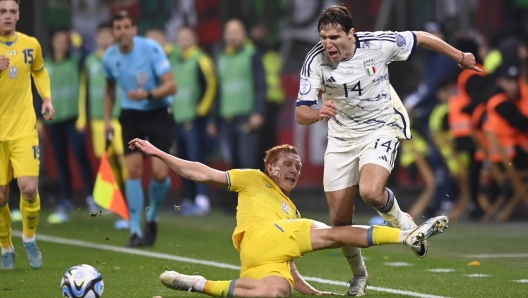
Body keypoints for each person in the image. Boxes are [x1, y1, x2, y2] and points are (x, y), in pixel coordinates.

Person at [294, 5, 479, 295]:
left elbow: (422, 37)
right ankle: (359, 275)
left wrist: (460, 57)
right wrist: (318, 112)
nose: (327, 43)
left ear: (351, 34)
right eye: (323, 37)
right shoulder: (315, 60)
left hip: (381, 125)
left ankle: (404, 223)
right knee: (341, 223)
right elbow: (301, 113)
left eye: (334, 37)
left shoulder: (379, 44)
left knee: (370, 191)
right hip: (342, 138)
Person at [128, 138, 449, 297]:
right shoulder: (254, 178)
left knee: (276, 292)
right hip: (257, 239)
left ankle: (198, 284)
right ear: (270, 168)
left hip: (259, 264)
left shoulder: (291, 211)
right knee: (331, 233)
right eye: (288, 164)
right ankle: (406, 236)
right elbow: (203, 174)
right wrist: (159, 153)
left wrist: (312, 292)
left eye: (298, 166)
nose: (295, 170)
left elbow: (290, 267)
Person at [102, 11, 177, 247]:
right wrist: (107, 119)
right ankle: (134, 229)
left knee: (159, 174)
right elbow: (110, 90)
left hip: (157, 112)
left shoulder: (151, 49)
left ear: (134, 30)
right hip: (131, 115)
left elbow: (171, 85)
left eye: (127, 26)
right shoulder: (109, 57)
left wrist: (147, 94)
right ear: (113, 32)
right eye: (118, 27)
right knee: (132, 169)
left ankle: (152, 214)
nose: (122, 31)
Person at [0, 0, 55, 269]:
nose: (7, 16)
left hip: (23, 129)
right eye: (2, 11)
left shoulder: (31, 44)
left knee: (29, 189)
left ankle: (29, 240)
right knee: (0, 196)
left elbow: (39, 71)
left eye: (12, 11)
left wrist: (46, 98)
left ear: (19, 15)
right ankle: (5, 245)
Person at [44, 30, 96, 222]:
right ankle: (66, 198)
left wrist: (78, 41)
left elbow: (88, 57)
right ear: (52, 43)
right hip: (54, 120)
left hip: (74, 118)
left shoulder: (76, 61)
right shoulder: (46, 64)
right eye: (58, 41)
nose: (61, 45)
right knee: (60, 160)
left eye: (65, 42)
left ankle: (91, 196)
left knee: (81, 155)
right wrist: (40, 120)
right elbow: (38, 91)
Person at [170, 26, 217, 216]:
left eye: (188, 37)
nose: (184, 41)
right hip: (177, 118)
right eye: (181, 37)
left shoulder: (202, 60)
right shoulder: (174, 60)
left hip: (193, 119)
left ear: (195, 39)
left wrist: (200, 112)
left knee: (196, 159)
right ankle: (188, 199)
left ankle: (202, 200)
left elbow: (212, 87)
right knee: (182, 160)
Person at [209, 19, 266, 170]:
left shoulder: (251, 54)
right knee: (234, 162)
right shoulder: (221, 58)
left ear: (244, 34)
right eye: (229, 32)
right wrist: (214, 119)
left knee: (246, 161)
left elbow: (260, 85)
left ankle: (251, 194)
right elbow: (219, 91)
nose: (233, 36)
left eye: (236, 32)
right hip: (227, 118)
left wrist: (258, 112)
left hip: (246, 116)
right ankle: (238, 194)